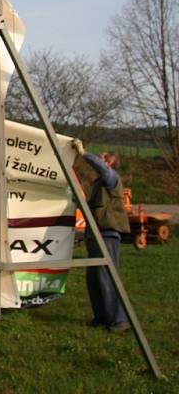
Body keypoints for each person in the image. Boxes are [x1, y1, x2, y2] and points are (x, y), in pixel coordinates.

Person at [72, 139, 131, 333]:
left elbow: (101, 168)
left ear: (110, 163)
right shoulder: (101, 184)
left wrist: (83, 153)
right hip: (96, 235)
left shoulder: (111, 178)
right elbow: (91, 210)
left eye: (103, 157)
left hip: (107, 234)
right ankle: (102, 316)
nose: (99, 159)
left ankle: (119, 320)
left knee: (107, 276)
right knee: (94, 278)